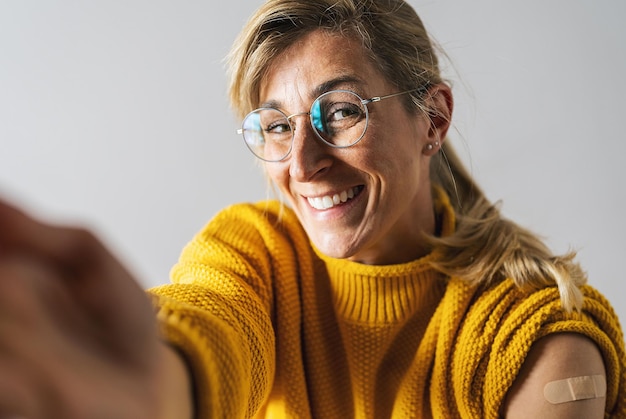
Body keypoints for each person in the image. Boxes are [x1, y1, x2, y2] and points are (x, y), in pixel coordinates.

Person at [0, 0, 624, 418]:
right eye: (276, 126)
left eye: (344, 111)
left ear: (432, 119)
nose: (301, 163)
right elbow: (215, 324)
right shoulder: (257, 255)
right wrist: (152, 383)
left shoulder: (535, 337)